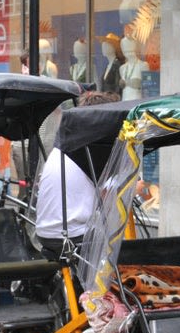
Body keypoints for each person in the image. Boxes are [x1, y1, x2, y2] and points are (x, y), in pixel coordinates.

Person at [34, 91, 117, 256]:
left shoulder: (66, 145)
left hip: (46, 232)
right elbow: (109, 196)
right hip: (72, 235)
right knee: (119, 248)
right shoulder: (91, 149)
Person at [119, 36, 148, 100]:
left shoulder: (143, 65)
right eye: (125, 51)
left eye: (130, 51)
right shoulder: (122, 68)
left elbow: (147, 87)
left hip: (137, 101)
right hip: (124, 100)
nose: (128, 53)